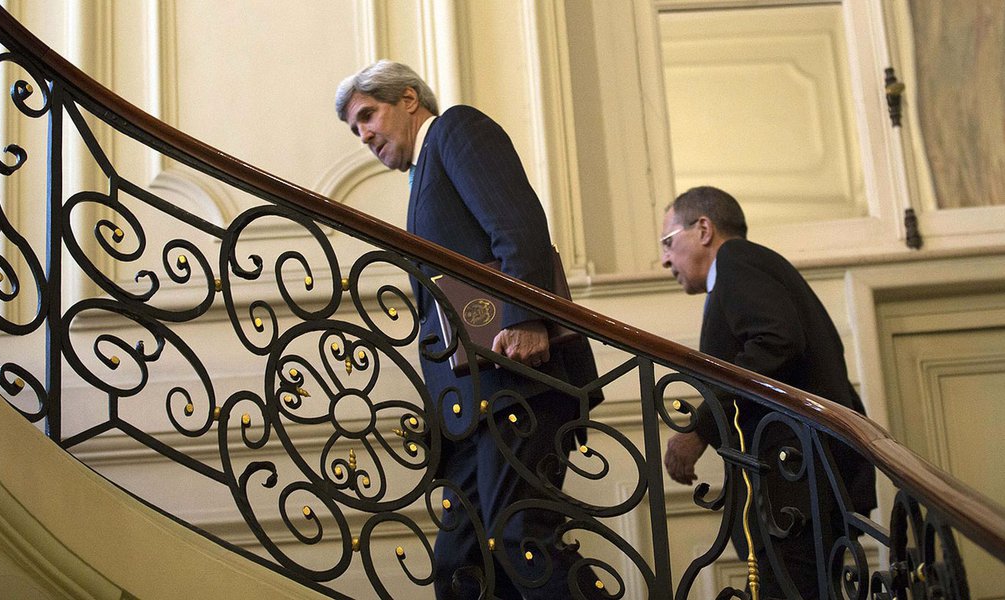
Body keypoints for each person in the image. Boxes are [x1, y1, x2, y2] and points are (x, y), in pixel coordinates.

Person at [335, 60, 602, 599]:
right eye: (354, 128)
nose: (363, 134)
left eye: (368, 115)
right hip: (472, 405)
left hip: (517, 382)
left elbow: (518, 225)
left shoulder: (456, 129)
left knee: (522, 539)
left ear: (409, 99)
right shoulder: (423, 170)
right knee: (464, 563)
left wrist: (525, 317)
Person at [659, 186, 876, 598]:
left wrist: (700, 428)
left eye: (668, 242)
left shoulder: (737, 259)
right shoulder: (749, 268)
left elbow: (777, 341)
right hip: (799, 478)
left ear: (703, 228)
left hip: (792, 482)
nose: (665, 258)